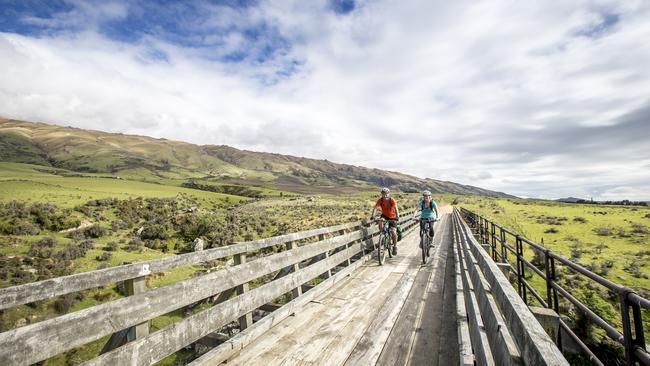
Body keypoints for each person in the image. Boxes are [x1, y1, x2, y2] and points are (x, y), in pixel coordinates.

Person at [370, 187, 400, 253]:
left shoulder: (392, 200)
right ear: (382, 194)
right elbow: (375, 208)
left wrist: (397, 216)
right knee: (380, 221)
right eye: (384, 193)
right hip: (385, 215)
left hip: (393, 217)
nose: (385, 195)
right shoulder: (380, 200)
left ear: (389, 194)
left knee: (393, 232)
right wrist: (373, 216)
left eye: (387, 193)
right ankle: (384, 234)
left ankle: (395, 246)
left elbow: (396, 208)